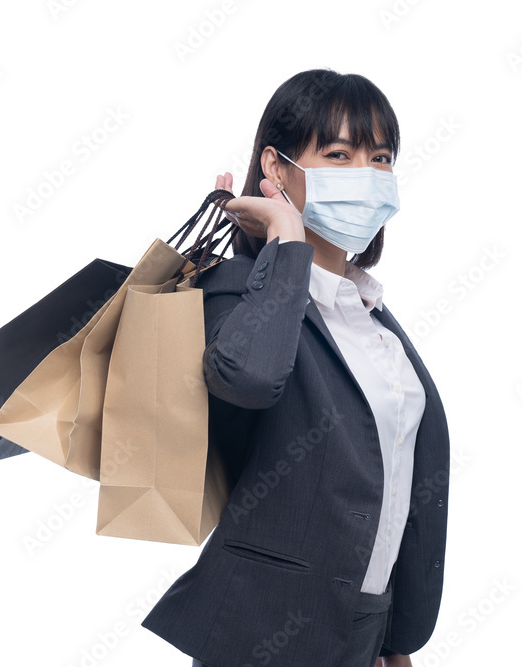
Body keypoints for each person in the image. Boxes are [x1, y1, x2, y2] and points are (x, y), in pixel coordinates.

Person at [140, 68, 450, 667]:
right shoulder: (236, 290)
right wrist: (285, 238)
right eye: (339, 154)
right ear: (276, 168)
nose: (366, 174)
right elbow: (249, 378)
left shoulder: (371, 316)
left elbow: (400, 474)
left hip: (366, 627)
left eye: (380, 158)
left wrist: (394, 640)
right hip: (267, 626)